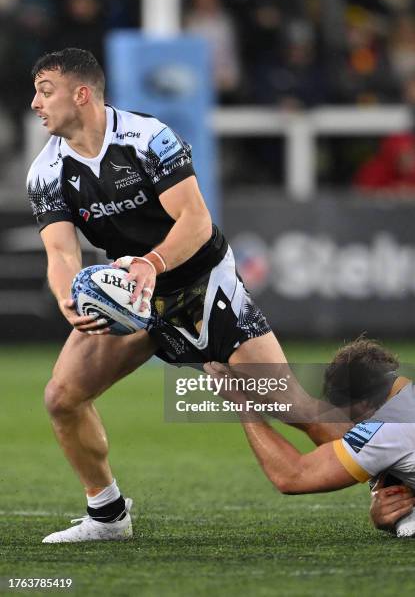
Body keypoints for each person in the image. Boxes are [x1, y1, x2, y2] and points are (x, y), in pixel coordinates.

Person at [27, 48, 347, 544]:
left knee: (293, 407)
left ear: (81, 93)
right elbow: (60, 253)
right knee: (62, 397)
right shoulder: (46, 172)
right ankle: (108, 515)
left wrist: (151, 265)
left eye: (45, 90)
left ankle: (400, 486)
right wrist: (68, 298)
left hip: (201, 284)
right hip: (135, 301)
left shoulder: (148, 137)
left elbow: (196, 222)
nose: (35, 103)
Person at [205, 337, 415, 537]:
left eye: (349, 418)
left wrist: (241, 402)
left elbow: (292, 476)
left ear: (364, 406)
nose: (352, 428)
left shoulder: (386, 429)